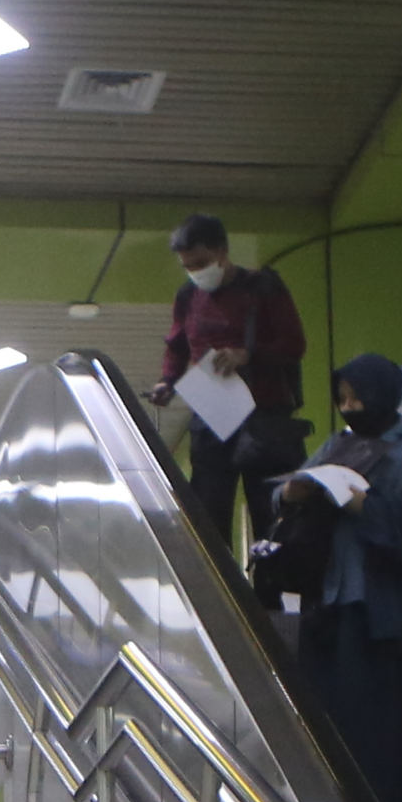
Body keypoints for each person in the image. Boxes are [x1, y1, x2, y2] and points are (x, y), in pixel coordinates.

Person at [286, 352, 402, 802]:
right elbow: (294, 486)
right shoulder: (337, 446)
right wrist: (293, 493)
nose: (350, 407)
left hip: (393, 618)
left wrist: (364, 505)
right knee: (339, 732)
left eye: (358, 396)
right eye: (342, 398)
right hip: (334, 608)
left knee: (394, 738)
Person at [148, 216, 307, 577]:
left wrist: (247, 354)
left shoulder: (263, 287)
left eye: (201, 263)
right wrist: (168, 380)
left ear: (222, 251)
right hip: (212, 415)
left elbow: (294, 344)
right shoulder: (188, 296)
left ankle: (273, 597)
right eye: (188, 267)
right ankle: (222, 592)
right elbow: (176, 344)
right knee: (208, 509)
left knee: (270, 511)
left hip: (264, 416)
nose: (195, 273)